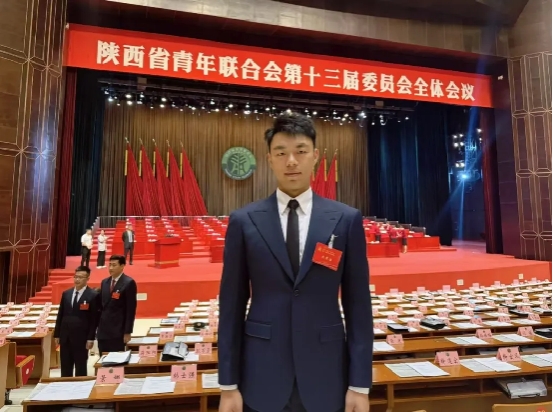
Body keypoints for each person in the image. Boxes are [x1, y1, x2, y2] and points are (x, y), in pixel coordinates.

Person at [218, 113, 373, 412]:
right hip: (260, 374)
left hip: (327, 374)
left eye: (300, 151)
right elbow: (231, 305)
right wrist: (228, 384)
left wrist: (359, 384)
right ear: (269, 159)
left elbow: (358, 306)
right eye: (281, 153)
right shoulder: (244, 221)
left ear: (315, 156)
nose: (291, 161)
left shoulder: (345, 219)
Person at [53, 266, 99, 377]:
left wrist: (91, 338)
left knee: (81, 367)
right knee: (65, 366)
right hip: (66, 336)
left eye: (81, 277)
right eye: (76, 277)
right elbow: (60, 314)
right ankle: (65, 385)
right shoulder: (66, 294)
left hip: (82, 337)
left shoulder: (93, 295)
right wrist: (57, 334)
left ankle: (80, 387)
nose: (77, 279)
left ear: (87, 278)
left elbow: (94, 319)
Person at [97, 255, 137, 355]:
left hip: (118, 330)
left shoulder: (129, 283)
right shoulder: (104, 282)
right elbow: (101, 306)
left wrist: (127, 331)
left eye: (114, 265)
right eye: (110, 265)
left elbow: (130, 310)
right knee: (103, 357)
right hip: (103, 330)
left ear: (122, 266)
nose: (111, 268)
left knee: (116, 359)